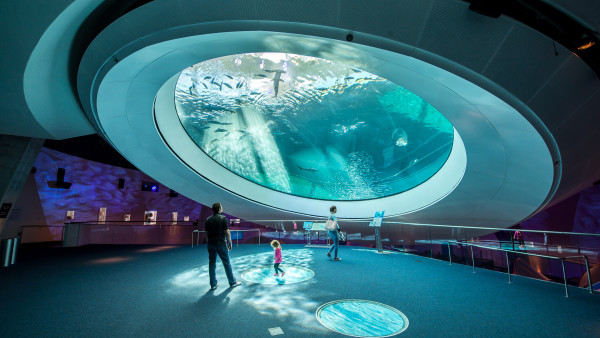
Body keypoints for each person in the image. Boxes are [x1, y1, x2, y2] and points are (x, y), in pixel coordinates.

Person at [205, 202, 242, 290]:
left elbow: (206, 232)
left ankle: (213, 284)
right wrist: (229, 242)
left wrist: (208, 241)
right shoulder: (223, 218)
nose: (222, 208)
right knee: (226, 263)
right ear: (219, 209)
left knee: (212, 263)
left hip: (210, 244)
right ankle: (232, 282)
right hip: (220, 244)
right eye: (221, 207)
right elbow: (227, 232)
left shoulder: (208, 219)